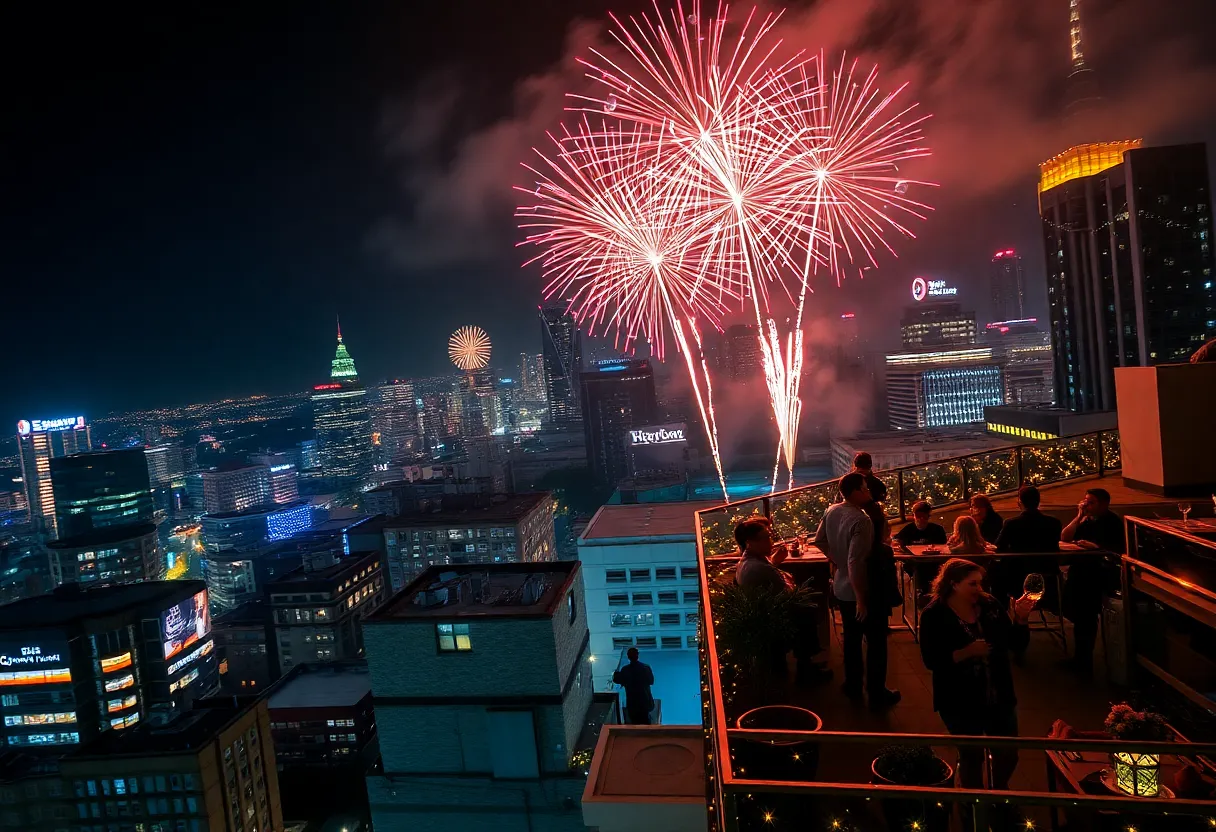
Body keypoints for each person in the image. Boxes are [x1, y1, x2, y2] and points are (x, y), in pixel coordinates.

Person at [919, 559, 1034, 792]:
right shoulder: (935, 615)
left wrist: (1021, 619)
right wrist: (965, 653)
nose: (979, 589)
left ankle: (998, 788)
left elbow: (1015, 643)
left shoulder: (990, 606)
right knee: (971, 756)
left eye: (980, 583)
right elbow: (931, 660)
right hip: (959, 700)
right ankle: (974, 803)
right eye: (972, 584)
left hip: (999, 695)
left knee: (1008, 753)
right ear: (953, 584)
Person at [814, 474, 901, 709]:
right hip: (863, 590)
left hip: (842, 586)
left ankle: (852, 685)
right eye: (864, 489)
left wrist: (836, 560)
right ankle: (876, 692)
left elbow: (819, 541)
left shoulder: (831, 510)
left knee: (851, 640)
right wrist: (862, 599)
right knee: (876, 644)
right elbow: (856, 562)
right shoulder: (862, 520)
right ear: (853, 492)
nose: (869, 493)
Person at [734, 517, 830, 685]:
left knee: (806, 608)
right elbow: (787, 593)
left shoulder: (749, 561)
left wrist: (774, 561)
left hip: (763, 612)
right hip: (772, 619)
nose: (771, 542)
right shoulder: (758, 567)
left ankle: (807, 664)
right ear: (749, 542)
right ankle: (805, 669)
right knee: (807, 609)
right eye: (766, 538)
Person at [1060, 488, 1125, 676]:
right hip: (1080, 571)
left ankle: (1083, 661)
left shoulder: (1112, 523)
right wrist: (1078, 516)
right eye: (1085, 501)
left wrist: (1096, 547)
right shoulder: (1086, 520)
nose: (1086, 505)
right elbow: (1065, 536)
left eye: (1091, 502)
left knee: (1086, 618)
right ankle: (1080, 658)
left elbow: (1118, 550)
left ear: (1104, 504)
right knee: (1077, 614)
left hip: (1097, 575)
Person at [613, 648, 654, 725]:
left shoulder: (625, 670)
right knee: (646, 722)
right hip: (645, 700)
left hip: (632, 702)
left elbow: (616, 679)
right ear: (637, 655)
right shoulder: (645, 668)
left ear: (628, 657)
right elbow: (651, 681)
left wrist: (616, 671)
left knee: (634, 722)